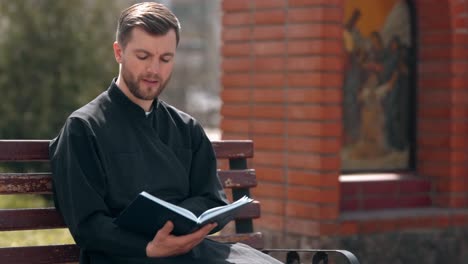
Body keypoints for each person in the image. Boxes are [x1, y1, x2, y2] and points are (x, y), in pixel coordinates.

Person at [49, 2, 282, 264]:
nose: (154, 70)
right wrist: (150, 247)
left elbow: (210, 199)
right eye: (143, 56)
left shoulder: (186, 129)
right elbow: (88, 225)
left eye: (165, 59)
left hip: (190, 252)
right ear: (119, 52)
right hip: (126, 257)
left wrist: (177, 228)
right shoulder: (84, 128)